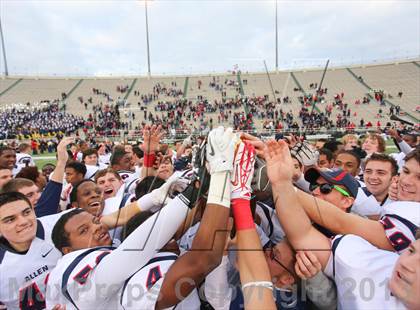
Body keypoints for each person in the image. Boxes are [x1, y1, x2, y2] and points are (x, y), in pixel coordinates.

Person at [264, 139, 420, 309]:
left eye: (325, 189)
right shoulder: (359, 253)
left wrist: (284, 185)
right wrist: (281, 182)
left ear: (347, 201)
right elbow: (303, 234)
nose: (315, 190)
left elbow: (341, 222)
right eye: (411, 251)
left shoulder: (404, 217)